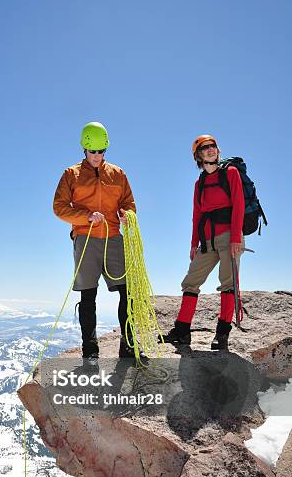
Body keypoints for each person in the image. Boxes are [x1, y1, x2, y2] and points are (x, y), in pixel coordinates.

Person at [53, 121, 144, 361]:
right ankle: (90, 350)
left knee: (128, 292)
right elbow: (59, 208)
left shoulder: (118, 173)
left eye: (101, 151)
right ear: (84, 149)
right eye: (93, 151)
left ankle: (128, 345)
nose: (97, 156)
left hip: (114, 237)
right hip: (86, 239)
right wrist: (85, 217)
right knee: (88, 295)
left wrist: (126, 214)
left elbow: (129, 203)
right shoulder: (71, 174)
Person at [161, 134, 245, 350]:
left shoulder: (231, 173)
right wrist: (193, 243)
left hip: (229, 237)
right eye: (205, 147)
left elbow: (239, 206)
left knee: (227, 283)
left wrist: (236, 238)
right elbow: (196, 215)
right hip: (207, 241)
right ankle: (182, 330)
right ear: (198, 155)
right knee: (190, 282)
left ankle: (222, 334)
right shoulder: (199, 183)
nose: (211, 149)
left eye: (213, 146)